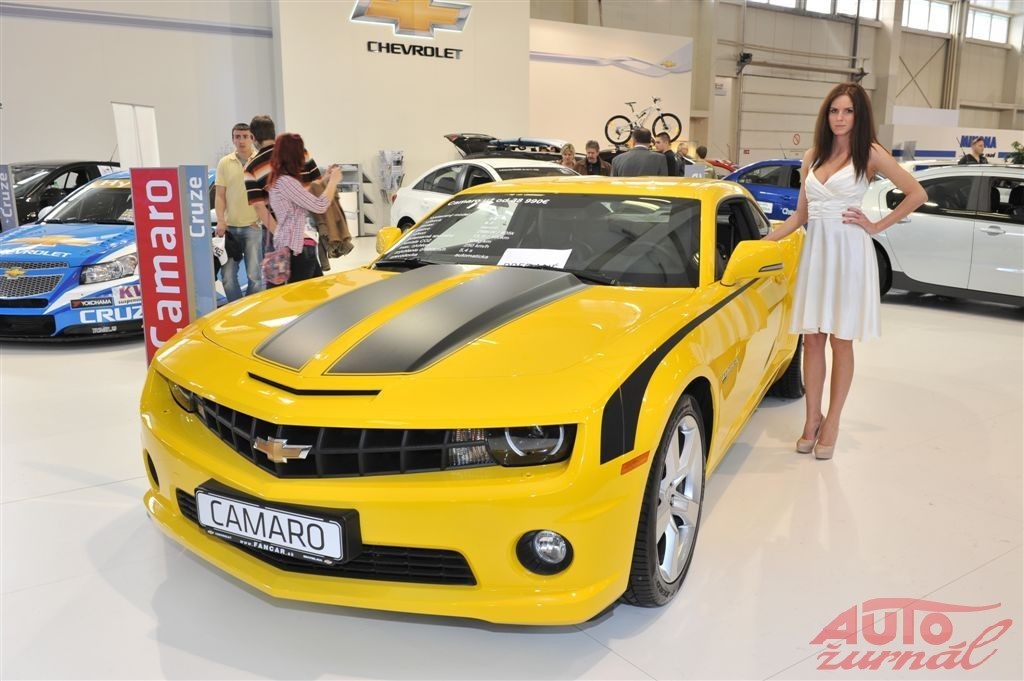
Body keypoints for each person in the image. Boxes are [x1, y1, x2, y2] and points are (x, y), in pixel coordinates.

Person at [763, 82, 926, 460]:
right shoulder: (813, 155)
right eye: (834, 111)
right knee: (812, 339)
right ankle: (811, 419)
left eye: (848, 111)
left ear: (859, 115)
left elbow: (916, 193)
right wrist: (762, 242)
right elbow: (800, 216)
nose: (839, 118)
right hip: (817, 253)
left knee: (841, 340)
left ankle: (833, 421)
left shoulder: (870, 153)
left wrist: (876, 226)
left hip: (849, 254)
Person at [266, 133, 341, 285]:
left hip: (295, 245)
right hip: (298, 247)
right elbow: (319, 205)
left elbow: (304, 198)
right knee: (303, 295)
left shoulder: (278, 180)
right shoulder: (286, 182)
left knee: (317, 291)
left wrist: (326, 179)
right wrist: (333, 181)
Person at [244, 115, 322, 236]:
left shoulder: (251, 168)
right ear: (273, 133)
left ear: (252, 137)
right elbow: (318, 184)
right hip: (311, 227)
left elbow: (259, 206)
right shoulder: (301, 152)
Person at [214, 123, 261, 301]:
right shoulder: (224, 163)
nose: (241, 140)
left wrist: (262, 220)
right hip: (229, 230)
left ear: (252, 138)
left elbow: (268, 193)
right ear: (233, 139)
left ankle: (250, 310)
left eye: (245, 136)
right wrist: (221, 221)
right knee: (227, 277)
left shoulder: (260, 160)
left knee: (255, 278)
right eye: (237, 137)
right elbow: (220, 195)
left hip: (253, 228)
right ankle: (236, 309)